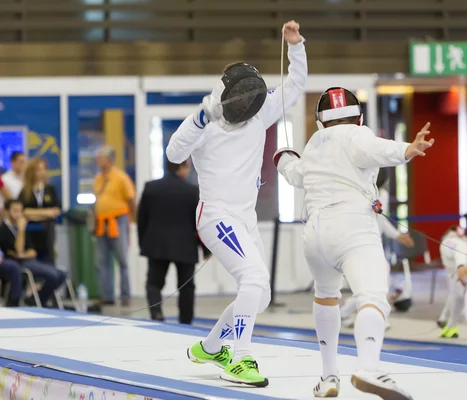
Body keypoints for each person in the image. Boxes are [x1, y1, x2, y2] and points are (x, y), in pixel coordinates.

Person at [166, 20, 307, 388]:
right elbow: (173, 151)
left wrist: (295, 46)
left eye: (251, 99)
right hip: (215, 216)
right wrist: (199, 117)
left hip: (245, 218)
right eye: (240, 98)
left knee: (259, 297)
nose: (246, 105)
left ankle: (212, 347)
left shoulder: (260, 113)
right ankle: (240, 357)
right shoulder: (206, 118)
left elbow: (295, 85)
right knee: (254, 277)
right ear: (229, 95)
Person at [273, 87, 433, 399]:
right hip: (352, 227)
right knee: (372, 298)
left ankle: (329, 376)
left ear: (320, 122)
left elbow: (294, 173)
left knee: (326, 296)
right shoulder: (357, 135)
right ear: (358, 118)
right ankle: (368, 367)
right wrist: (408, 149)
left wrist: (282, 158)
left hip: (315, 235)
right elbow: (376, 148)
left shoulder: (313, 144)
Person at [340, 169, 415, 329]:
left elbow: (378, 218)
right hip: (362, 243)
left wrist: (397, 235)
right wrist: (396, 235)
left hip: (366, 243)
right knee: (375, 282)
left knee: (373, 283)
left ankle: (349, 313)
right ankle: (367, 315)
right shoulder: (367, 192)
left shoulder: (374, 193)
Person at [138, 159, 207, 324]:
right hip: (185, 246)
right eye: (188, 168)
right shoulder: (192, 191)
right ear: (181, 167)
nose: (188, 171)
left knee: (154, 283)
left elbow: (142, 219)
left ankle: (156, 314)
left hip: (157, 244)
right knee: (186, 287)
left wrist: (144, 244)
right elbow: (200, 223)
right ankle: (186, 321)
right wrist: (206, 249)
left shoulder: (151, 188)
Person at [0, 199, 66, 307]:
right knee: (53, 275)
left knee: (61, 274)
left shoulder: (20, 227)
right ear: (6, 212)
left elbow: (32, 251)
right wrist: (21, 230)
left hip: (29, 260)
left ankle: (37, 299)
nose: (19, 214)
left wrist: (22, 254)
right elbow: (18, 250)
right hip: (18, 263)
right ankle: (16, 303)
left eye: (20, 211)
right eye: (15, 211)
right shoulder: (3, 230)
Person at [93, 146, 135, 307]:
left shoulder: (121, 177)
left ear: (109, 160)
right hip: (101, 223)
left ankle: (125, 295)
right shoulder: (98, 179)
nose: (98, 161)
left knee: (122, 260)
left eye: (100, 158)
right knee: (102, 261)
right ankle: (107, 296)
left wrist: (133, 220)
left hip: (118, 221)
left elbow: (131, 200)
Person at [18, 158, 61, 264]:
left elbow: (55, 211)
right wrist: (46, 213)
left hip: (47, 232)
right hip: (30, 234)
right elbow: (23, 211)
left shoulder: (50, 189)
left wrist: (32, 214)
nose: (41, 172)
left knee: (49, 262)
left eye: (43, 169)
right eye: (38, 170)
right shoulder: (25, 191)